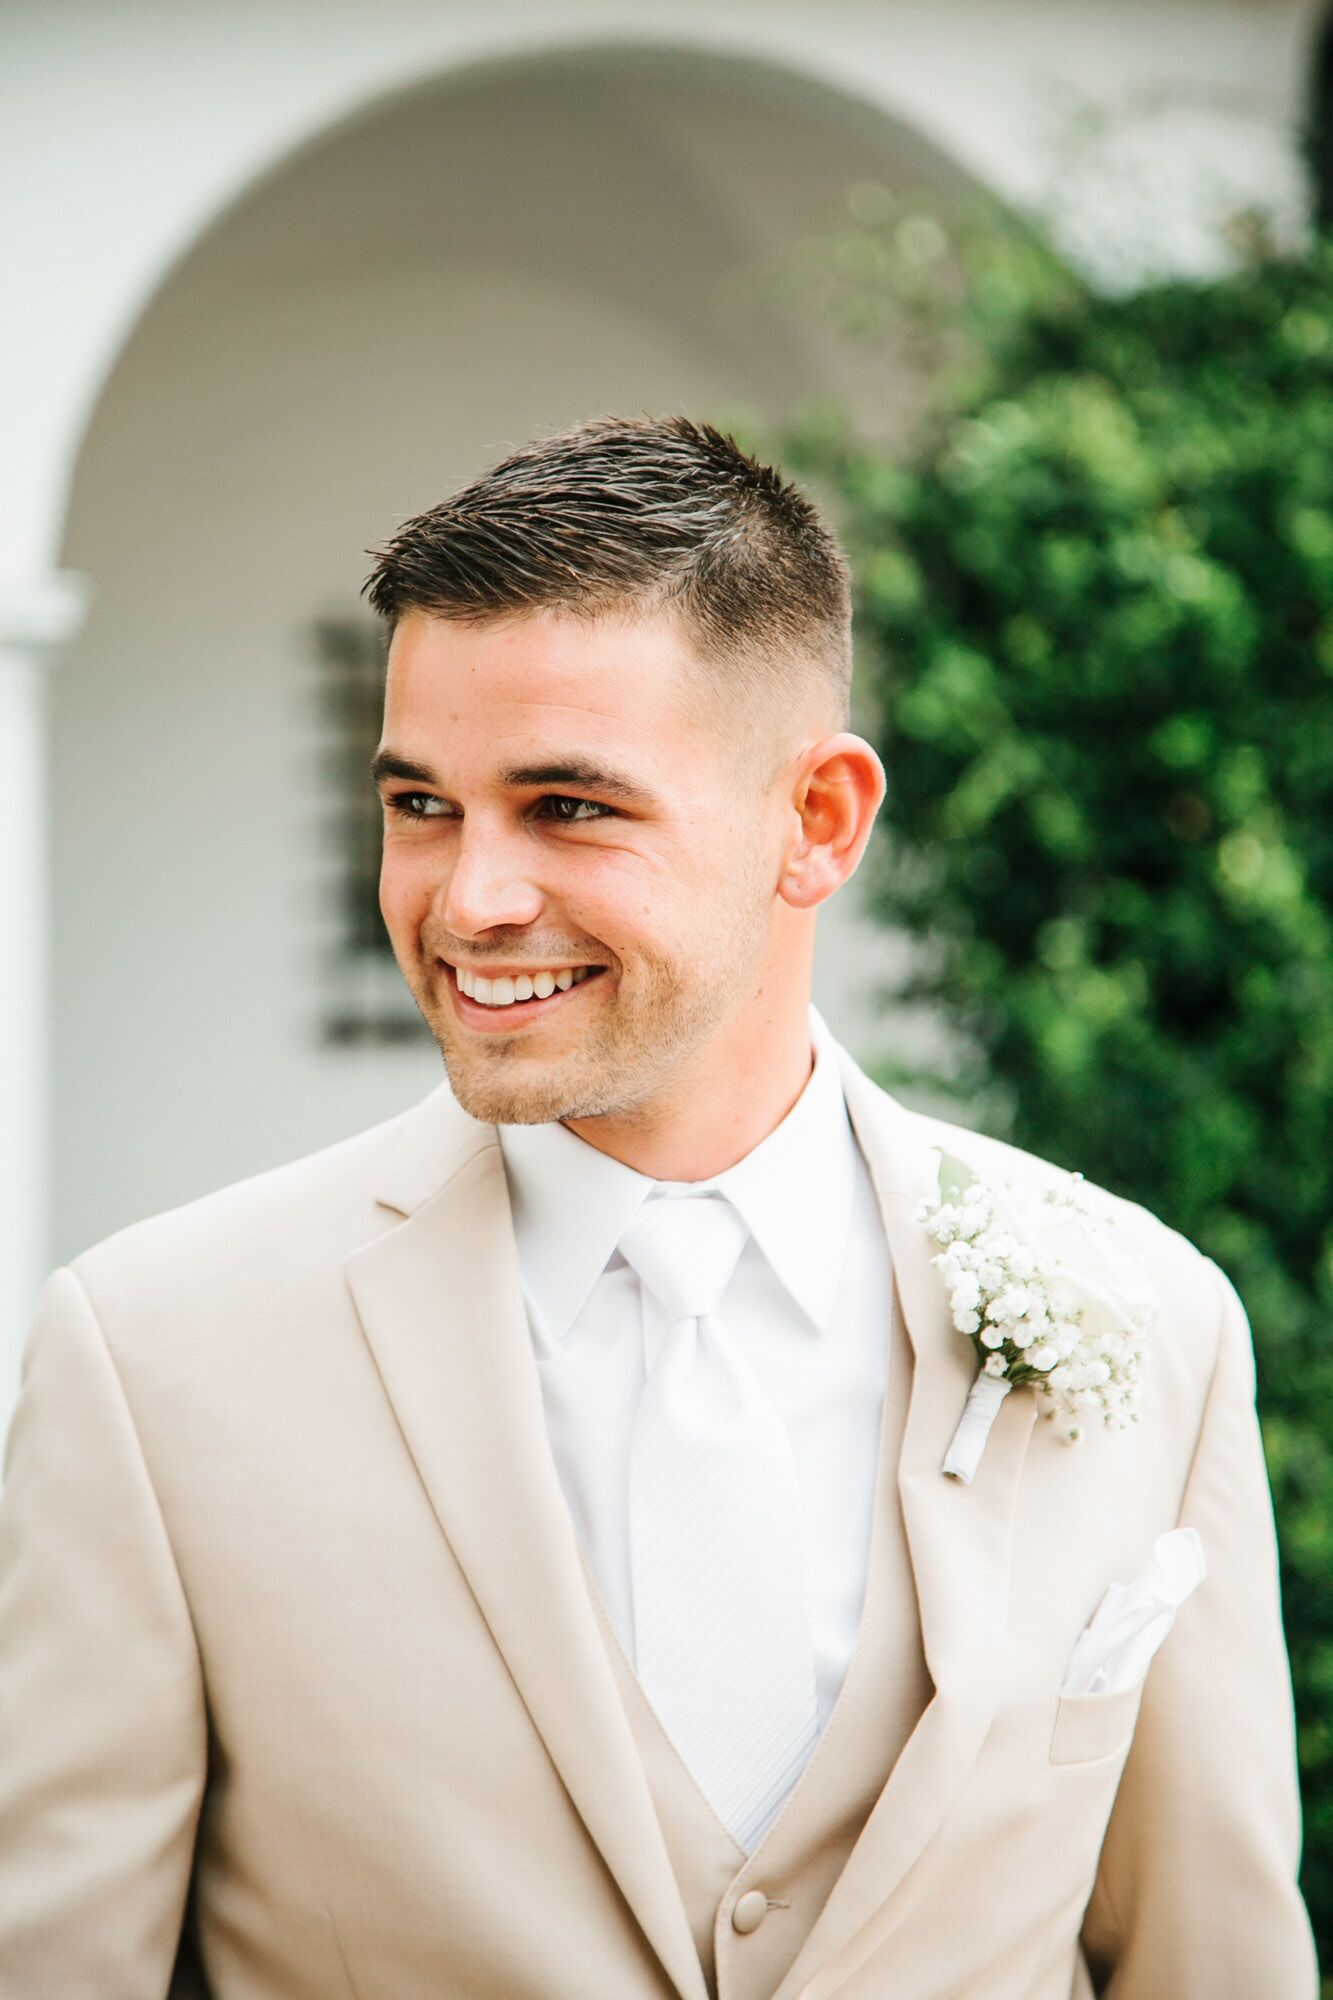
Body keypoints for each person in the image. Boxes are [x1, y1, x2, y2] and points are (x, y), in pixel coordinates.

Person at [0, 416, 1316, 2000]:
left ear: (817, 821)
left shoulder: (1149, 1330)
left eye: (566, 807)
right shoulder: (153, 1360)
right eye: (421, 804)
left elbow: (1215, 1964)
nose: (467, 899)